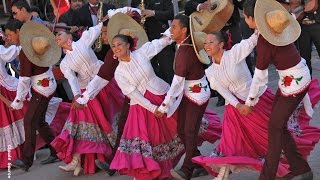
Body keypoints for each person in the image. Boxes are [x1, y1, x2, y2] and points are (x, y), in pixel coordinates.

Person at [192, 30, 320, 179]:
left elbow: (252, 41)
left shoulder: (234, 53)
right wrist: (238, 106)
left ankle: (287, 167)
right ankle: (223, 172)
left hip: (257, 100)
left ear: (221, 44)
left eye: (211, 42)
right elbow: (223, 92)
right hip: (235, 109)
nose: (207, 45)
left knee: (271, 136)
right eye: (205, 43)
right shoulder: (210, 71)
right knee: (230, 141)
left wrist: (260, 26)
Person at [242, 0, 314, 179]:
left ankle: (267, 176)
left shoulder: (266, 40)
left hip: (295, 83)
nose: (244, 20)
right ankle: (301, 169)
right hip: (292, 79)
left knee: (275, 128)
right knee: (277, 126)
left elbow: (260, 77)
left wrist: (250, 101)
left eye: (245, 17)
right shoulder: (270, 27)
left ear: (252, 18)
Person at [108, 13, 185, 180]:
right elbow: (133, 94)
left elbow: (161, 43)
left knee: (179, 127)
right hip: (142, 107)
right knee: (151, 139)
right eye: (113, 46)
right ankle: (155, 172)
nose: (116, 48)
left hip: (161, 94)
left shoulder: (142, 53)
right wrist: (152, 108)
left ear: (128, 45)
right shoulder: (119, 72)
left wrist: (174, 33)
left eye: (119, 44)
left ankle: (182, 164)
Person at [51, 16, 124, 175]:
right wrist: (77, 96)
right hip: (87, 90)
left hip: (104, 82)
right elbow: (72, 80)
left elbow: (97, 28)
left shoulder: (83, 41)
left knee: (110, 119)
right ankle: (77, 159)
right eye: (55, 37)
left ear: (69, 37)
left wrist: (110, 16)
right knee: (80, 119)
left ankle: (104, 157)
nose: (57, 38)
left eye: (60, 35)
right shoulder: (64, 63)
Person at [156, 14, 211, 180]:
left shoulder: (185, 51)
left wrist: (164, 106)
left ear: (184, 30)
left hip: (198, 94)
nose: (170, 30)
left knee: (189, 131)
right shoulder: (183, 43)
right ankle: (200, 163)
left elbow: (177, 84)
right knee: (182, 130)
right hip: (189, 93)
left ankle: (187, 169)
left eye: (173, 27)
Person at [5, 19, 62, 171]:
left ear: (18, 32)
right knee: (39, 122)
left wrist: (18, 100)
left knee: (29, 121)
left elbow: (24, 80)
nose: (8, 38)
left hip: (41, 89)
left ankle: (26, 160)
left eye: (10, 35)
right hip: (47, 85)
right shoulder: (32, 43)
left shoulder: (26, 51)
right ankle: (58, 150)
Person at [131, 0, 175, 84]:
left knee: (168, 73)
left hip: (162, 40)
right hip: (144, 43)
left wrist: (153, 13)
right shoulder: (135, 1)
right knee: (151, 75)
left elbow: (171, 13)